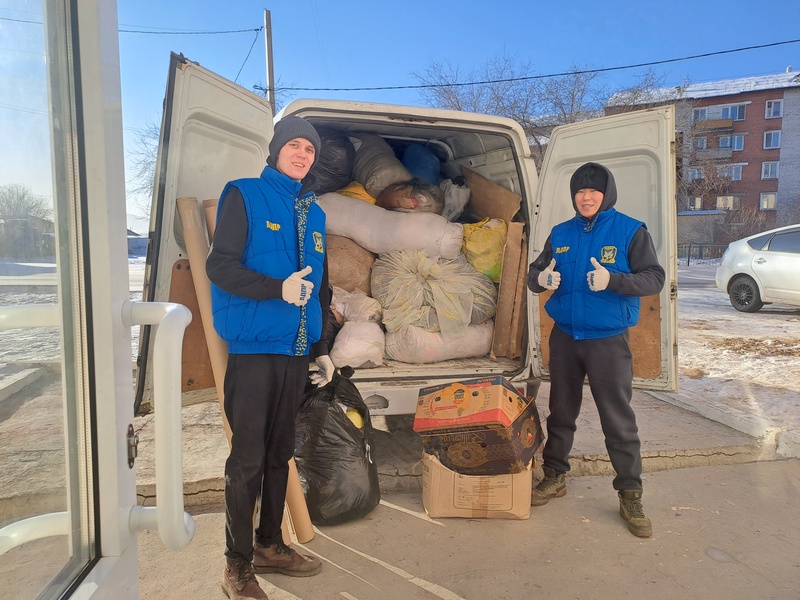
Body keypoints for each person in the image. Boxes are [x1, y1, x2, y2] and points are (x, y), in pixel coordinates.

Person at [207, 116, 334, 600]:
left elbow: (320, 286)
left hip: (295, 353)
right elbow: (219, 266)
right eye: (294, 146)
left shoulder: (316, 215)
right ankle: (236, 566)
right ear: (277, 150)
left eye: (310, 150)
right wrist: (276, 289)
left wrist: (321, 350)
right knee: (247, 461)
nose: (302, 154)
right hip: (254, 350)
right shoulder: (243, 194)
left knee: (281, 455)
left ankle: (269, 545)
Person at [526, 162, 665, 538]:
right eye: (580, 191)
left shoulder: (630, 230)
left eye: (594, 191)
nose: (586, 197)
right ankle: (554, 476)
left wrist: (614, 279)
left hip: (608, 341)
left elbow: (654, 277)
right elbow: (532, 275)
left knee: (617, 417)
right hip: (567, 337)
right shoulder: (560, 233)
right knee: (561, 411)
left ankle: (630, 493)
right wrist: (541, 279)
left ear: (607, 194)